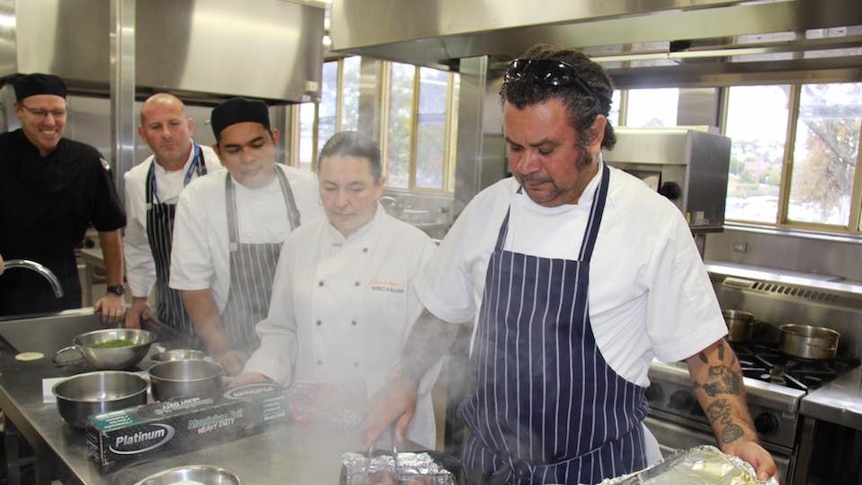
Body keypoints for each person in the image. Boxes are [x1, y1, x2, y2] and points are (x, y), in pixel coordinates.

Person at [362, 44, 778, 484]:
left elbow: (705, 352)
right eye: (515, 147)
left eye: (544, 148)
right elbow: (443, 311)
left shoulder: (650, 223)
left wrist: (738, 438)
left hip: (594, 472)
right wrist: (405, 377)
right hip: (489, 468)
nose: (526, 166)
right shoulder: (491, 209)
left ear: (594, 133)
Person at [232, 131, 440, 448]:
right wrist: (259, 376)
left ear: (379, 185)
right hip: (311, 424)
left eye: (355, 189)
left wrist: (375, 396)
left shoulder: (416, 250)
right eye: (329, 188)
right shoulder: (298, 244)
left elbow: (428, 346)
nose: (340, 202)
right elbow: (281, 330)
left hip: (387, 427)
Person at [169, 97, 322, 375]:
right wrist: (222, 350)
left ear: (273, 139)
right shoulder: (199, 198)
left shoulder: (310, 188)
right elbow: (193, 285)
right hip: (237, 345)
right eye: (234, 149)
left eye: (257, 144)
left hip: (309, 341)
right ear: (218, 152)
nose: (248, 158)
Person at [0, 73, 126, 323]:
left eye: (58, 112)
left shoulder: (87, 161)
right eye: (39, 112)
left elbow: (110, 229)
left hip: (59, 284)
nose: (50, 122)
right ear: (18, 110)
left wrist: (115, 290)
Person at [123, 93, 221, 336]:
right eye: (156, 127)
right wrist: (138, 297)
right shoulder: (136, 180)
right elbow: (137, 245)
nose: (166, 133)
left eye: (174, 124)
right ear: (143, 133)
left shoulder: (220, 167)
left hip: (223, 309)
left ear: (189, 126)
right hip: (171, 310)